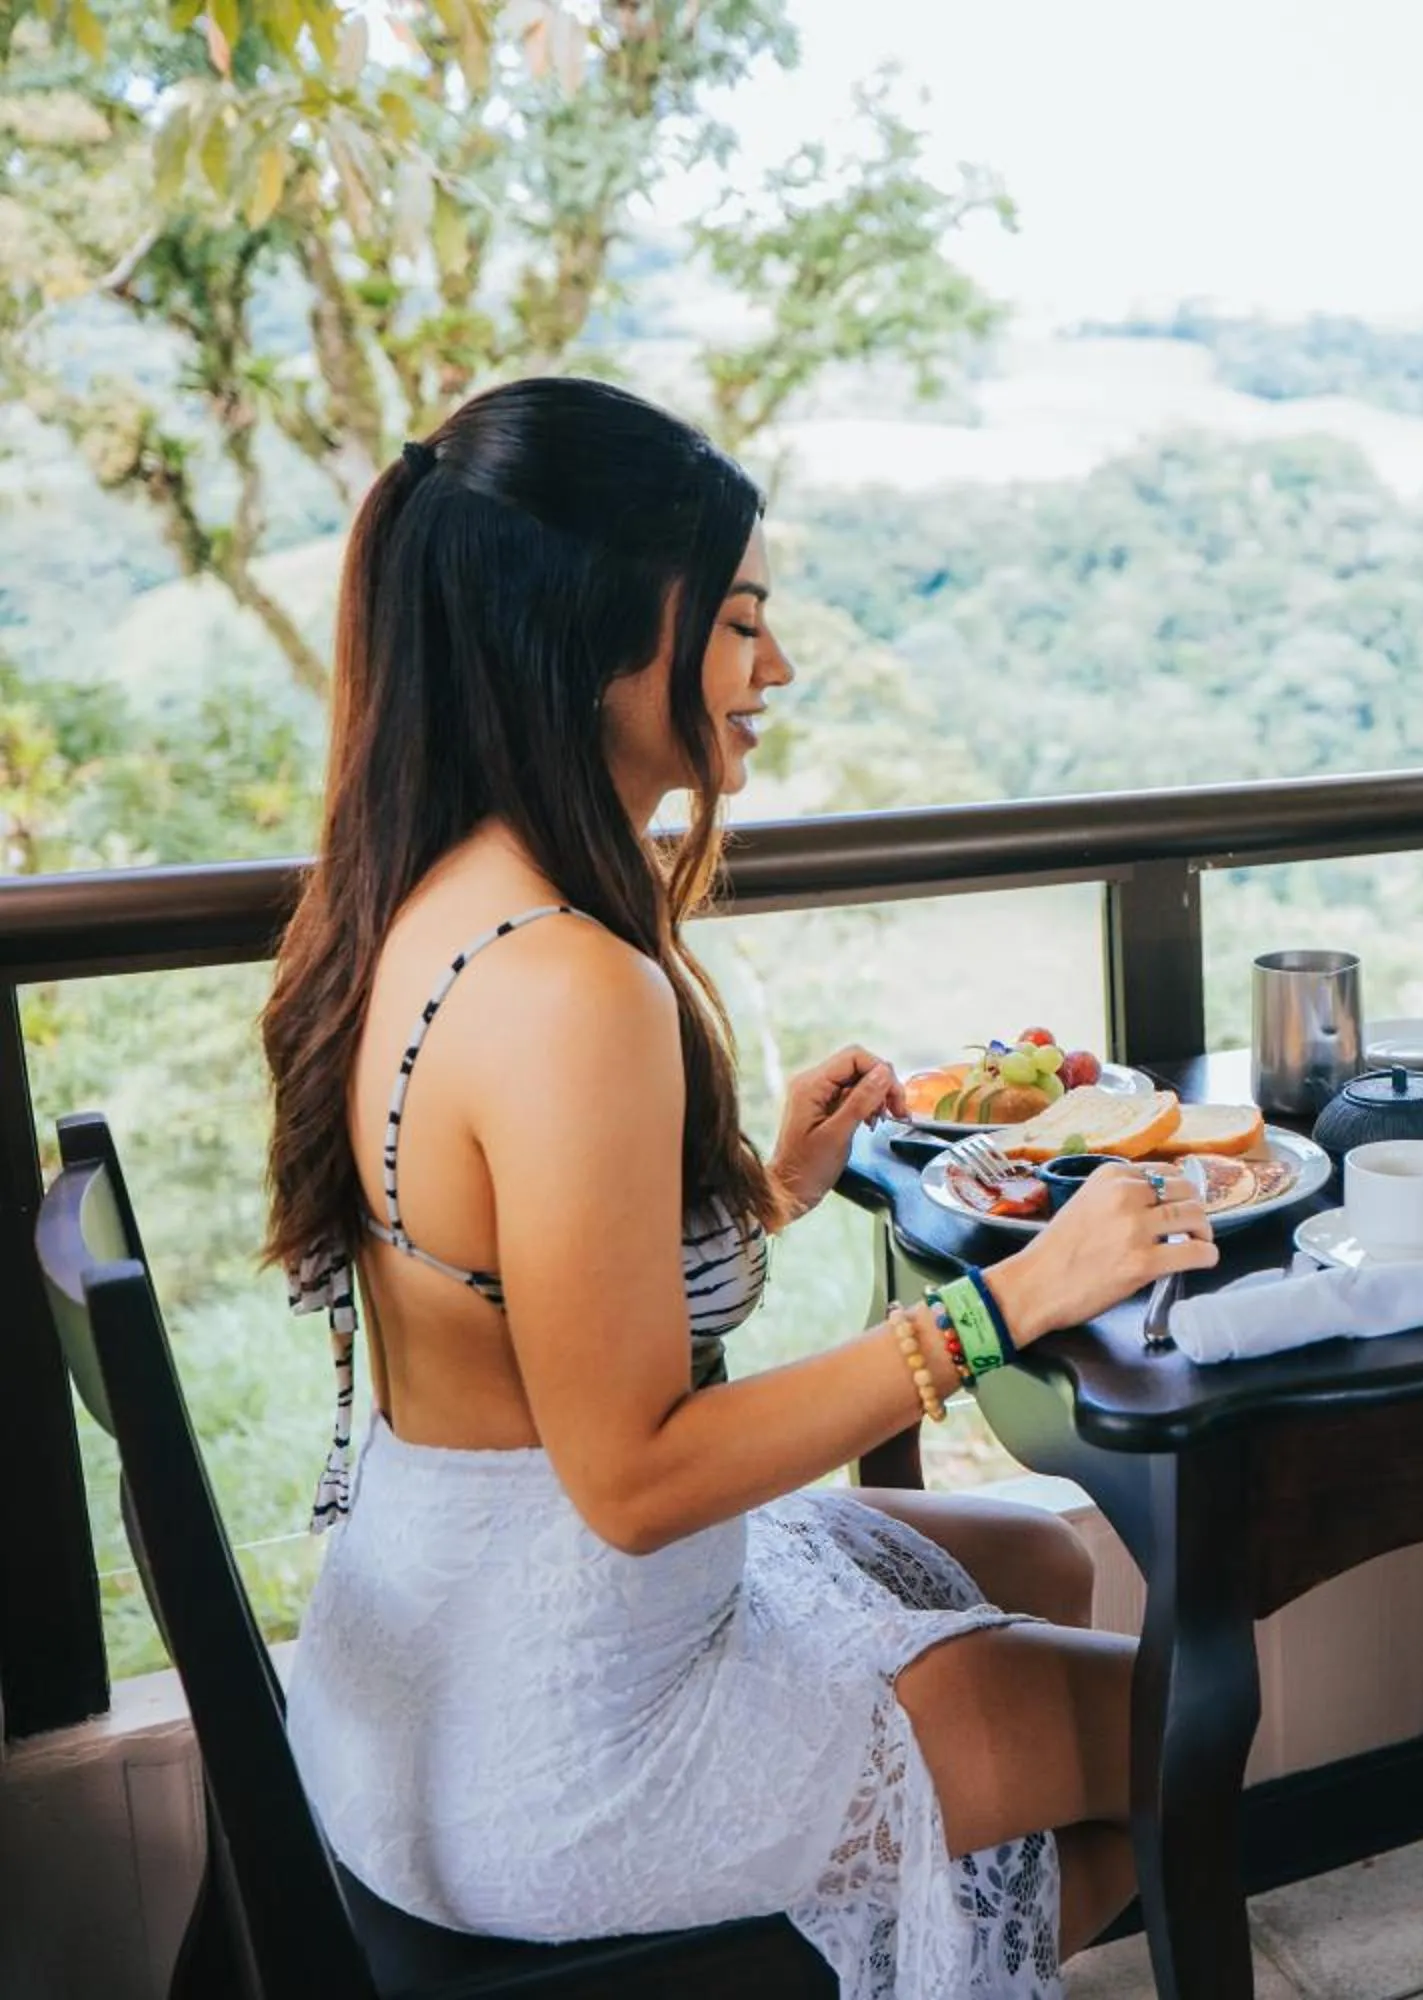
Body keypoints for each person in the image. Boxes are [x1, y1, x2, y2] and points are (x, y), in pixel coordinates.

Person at [261, 376, 1218, 1999]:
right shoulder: (572, 984)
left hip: (424, 1663)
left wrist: (766, 1189)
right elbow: (631, 1475)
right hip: (570, 1739)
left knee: (1050, 1563)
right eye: (739, 621)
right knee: (1191, 1739)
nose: (774, 668)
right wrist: (1013, 1301)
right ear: (599, 637)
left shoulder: (416, 896)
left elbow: (524, 1294)